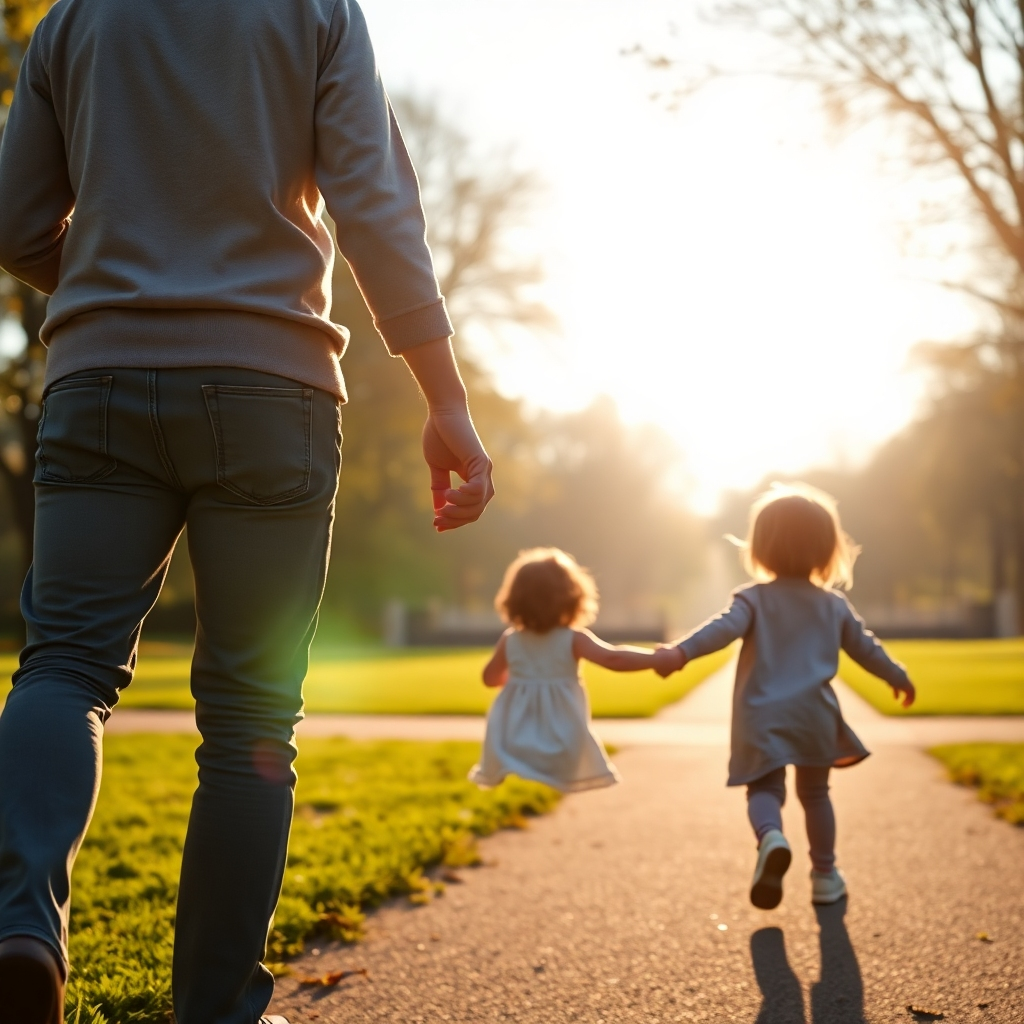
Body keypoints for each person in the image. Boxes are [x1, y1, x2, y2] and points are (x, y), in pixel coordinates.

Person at [0, 1, 493, 1021]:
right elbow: (372, 202)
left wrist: (102, 277)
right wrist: (444, 397)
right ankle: (216, 1009)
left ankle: (19, 927)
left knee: (65, 666)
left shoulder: (73, 18)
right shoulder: (315, 9)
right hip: (273, 390)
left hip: (98, 382)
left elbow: (12, 223)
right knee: (251, 718)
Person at [655, 484, 915, 910]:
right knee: (816, 794)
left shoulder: (753, 600)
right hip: (814, 715)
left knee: (764, 788)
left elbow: (721, 630)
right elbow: (866, 648)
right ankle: (825, 876)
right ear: (827, 548)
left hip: (761, 716)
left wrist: (680, 652)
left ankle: (771, 837)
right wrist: (897, 676)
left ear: (761, 546)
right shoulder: (833, 605)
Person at [471, 548, 678, 792]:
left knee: (510, 745)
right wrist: (656, 659)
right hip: (561, 731)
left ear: (514, 599)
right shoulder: (573, 639)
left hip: (512, 733)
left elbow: (490, 678)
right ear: (572, 598)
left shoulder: (511, 640)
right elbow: (613, 658)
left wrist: (521, 678)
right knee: (564, 749)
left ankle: (513, 766)